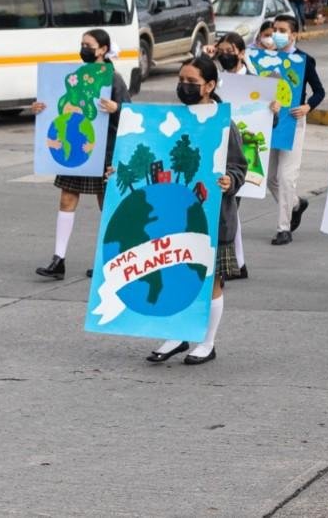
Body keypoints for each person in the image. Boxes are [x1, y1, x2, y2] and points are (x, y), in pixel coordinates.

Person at [145, 55, 247, 365]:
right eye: (181, 81)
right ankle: (177, 334)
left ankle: (207, 342)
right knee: (177, 275)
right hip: (177, 215)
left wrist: (231, 180)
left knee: (210, 278)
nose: (184, 87)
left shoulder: (223, 122)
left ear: (210, 85)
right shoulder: (174, 120)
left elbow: (239, 166)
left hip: (213, 217)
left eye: (192, 83)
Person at [33, 29, 131, 280]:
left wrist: (116, 107)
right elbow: (58, 104)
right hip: (74, 146)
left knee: (104, 203)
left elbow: (131, 115)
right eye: (82, 44)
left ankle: (109, 259)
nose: (83, 48)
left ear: (102, 49)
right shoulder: (72, 76)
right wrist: (40, 108)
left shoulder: (113, 79)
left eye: (88, 44)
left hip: (102, 148)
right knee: (67, 198)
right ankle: (58, 260)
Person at [214, 33, 279, 282]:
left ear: (242, 53)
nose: (225, 54)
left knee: (231, 206)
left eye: (230, 50)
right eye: (222, 50)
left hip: (241, 153)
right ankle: (238, 263)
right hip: (218, 147)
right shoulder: (215, 79)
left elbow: (269, 123)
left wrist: (273, 111)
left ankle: (237, 262)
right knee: (230, 207)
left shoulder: (256, 83)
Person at [267, 15, 325, 245]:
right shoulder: (266, 59)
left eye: (282, 30)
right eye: (274, 30)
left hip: (293, 121)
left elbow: (319, 91)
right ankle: (296, 205)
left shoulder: (304, 60)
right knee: (270, 177)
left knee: (286, 176)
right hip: (270, 121)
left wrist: (307, 106)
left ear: (294, 35)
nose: (277, 34)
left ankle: (284, 228)